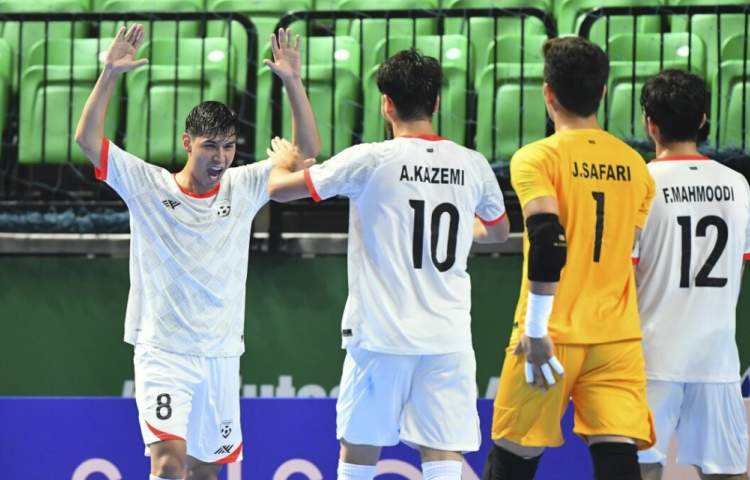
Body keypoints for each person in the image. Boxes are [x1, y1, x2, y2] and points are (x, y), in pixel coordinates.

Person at [74, 25, 319, 480]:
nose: (221, 157)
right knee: (168, 466)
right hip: (163, 351)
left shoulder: (243, 186)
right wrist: (109, 74)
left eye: (228, 147)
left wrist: (292, 81)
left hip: (220, 354)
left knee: (206, 472)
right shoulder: (148, 185)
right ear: (189, 143)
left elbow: (307, 153)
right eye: (210, 146)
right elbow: (88, 141)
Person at [265, 48, 510, 480]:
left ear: (386, 104)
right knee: (442, 454)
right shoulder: (473, 165)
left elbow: (281, 191)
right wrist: (459, 233)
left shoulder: (369, 159)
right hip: (446, 337)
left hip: (381, 335)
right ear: (436, 103)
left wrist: (283, 162)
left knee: (358, 453)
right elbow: (499, 230)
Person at [484, 37, 656, 480]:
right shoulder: (636, 165)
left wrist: (538, 327)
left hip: (551, 335)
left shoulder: (536, 158)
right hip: (615, 337)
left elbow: (547, 239)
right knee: (617, 458)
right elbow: (626, 247)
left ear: (548, 93)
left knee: (512, 458)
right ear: (602, 91)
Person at [635, 69, 750, 480]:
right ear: (704, 118)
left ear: (650, 123)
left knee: (639, 472)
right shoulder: (737, 185)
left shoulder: (640, 184)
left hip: (651, 356)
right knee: (729, 475)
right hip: (716, 358)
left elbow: (623, 278)